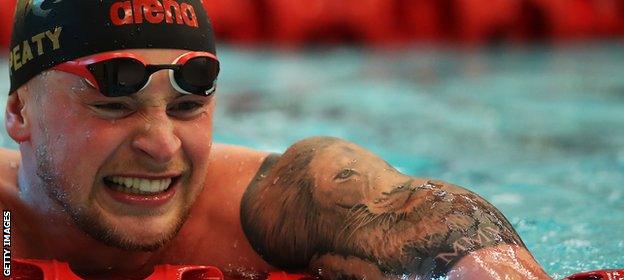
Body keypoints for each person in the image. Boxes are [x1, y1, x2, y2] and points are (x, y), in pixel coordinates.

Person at [0, 0, 551, 279]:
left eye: (187, 108)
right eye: (114, 106)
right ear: (20, 113)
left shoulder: (267, 205)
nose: (163, 146)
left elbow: (425, 216)